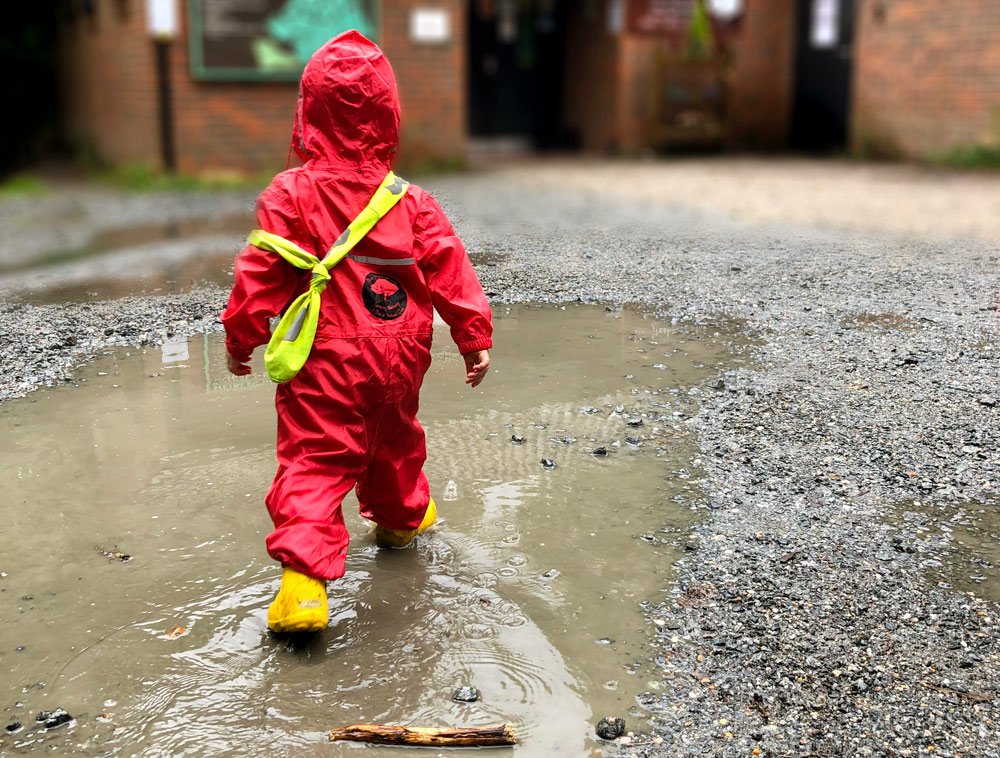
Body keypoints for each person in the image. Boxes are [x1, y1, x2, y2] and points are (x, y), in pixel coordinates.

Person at [221, 30, 493, 634]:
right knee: (393, 438)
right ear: (389, 116)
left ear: (308, 115)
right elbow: (450, 266)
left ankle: (303, 590)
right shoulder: (410, 201)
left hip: (325, 357)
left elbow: (260, 274)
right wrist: (473, 335)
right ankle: (400, 520)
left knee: (316, 457)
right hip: (401, 352)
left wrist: (242, 335)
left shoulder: (289, 194)